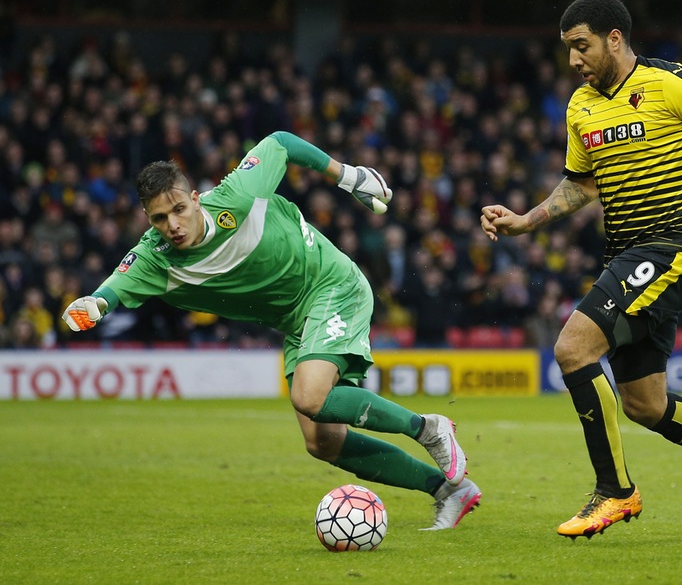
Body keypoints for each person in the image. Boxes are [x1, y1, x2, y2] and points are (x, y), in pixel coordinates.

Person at [61, 130, 481, 530]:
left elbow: (280, 142)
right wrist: (92, 305)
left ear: (195, 199)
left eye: (179, 210)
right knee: (322, 442)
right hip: (297, 322)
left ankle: (427, 428)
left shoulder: (238, 195)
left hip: (331, 284)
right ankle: (448, 490)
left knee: (309, 396)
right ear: (147, 219)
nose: (172, 224)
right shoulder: (154, 259)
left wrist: (348, 176)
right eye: (159, 218)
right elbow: (110, 291)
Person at [481, 0, 682, 538]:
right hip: (626, 254)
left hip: (672, 248)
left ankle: (615, 491)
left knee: (573, 348)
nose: (573, 60)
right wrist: (526, 220)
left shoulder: (672, 82)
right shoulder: (580, 106)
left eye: (581, 46)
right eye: (568, 49)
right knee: (645, 404)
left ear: (615, 39)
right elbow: (582, 184)